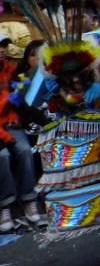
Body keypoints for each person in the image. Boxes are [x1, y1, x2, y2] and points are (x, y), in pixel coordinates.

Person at [0, 42, 44, 232]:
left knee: (25, 150)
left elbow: (21, 101)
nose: (1, 50)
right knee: (2, 157)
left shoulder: (13, 71)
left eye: (3, 45)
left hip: (12, 125)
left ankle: (29, 199)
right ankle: (5, 205)